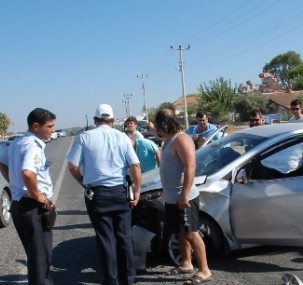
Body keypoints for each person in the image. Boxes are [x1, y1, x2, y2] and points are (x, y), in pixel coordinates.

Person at [66, 104, 142, 285]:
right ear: (113, 120)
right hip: (119, 191)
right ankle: (129, 279)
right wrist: (137, 191)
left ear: (94, 120)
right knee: (125, 237)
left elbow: (72, 166)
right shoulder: (122, 138)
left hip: (97, 194)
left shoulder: (85, 137)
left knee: (105, 238)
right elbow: (135, 166)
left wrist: (83, 182)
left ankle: (111, 279)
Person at [0, 108, 57, 285]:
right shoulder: (33, 146)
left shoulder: (18, 142)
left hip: (20, 205)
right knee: (40, 257)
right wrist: (36, 194)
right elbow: (28, 172)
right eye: (50, 126)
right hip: (32, 207)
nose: (53, 130)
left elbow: (1, 161)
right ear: (36, 126)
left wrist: (14, 181)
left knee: (37, 254)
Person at [154, 110, 212, 284]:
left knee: (191, 233)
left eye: (157, 124)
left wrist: (184, 194)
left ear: (164, 123)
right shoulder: (168, 140)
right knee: (180, 231)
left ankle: (205, 270)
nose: (156, 128)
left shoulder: (181, 139)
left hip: (184, 197)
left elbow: (191, 166)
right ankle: (186, 263)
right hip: (173, 197)